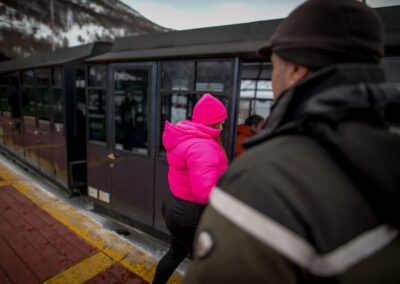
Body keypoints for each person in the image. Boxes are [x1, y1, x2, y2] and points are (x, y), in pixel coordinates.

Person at [184, 0, 400, 283]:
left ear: (296, 71)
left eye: (274, 67)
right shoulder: (386, 154)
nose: (273, 80)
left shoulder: (261, 179)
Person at [153, 93, 228, 284]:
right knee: (206, 266)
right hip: (191, 214)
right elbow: (204, 193)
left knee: (175, 253)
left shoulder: (187, 136)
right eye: (221, 121)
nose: (223, 126)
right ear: (213, 123)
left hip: (175, 206)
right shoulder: (203, 147)